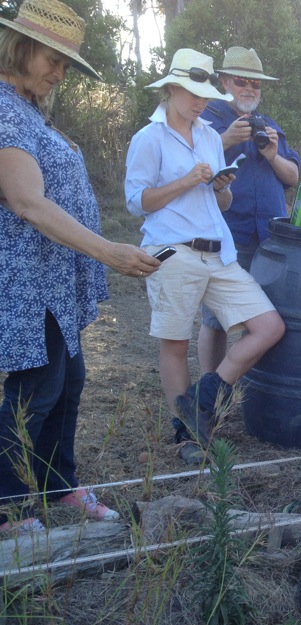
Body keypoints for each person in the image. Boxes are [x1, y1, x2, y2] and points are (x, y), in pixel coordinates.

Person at [0, 0, 161, 533]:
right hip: (27, 278)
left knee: (68, 380)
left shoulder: (25, 109)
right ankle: (8, 507)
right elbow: (26, 202)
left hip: (51, 275)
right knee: (37, 389)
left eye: (66, 64)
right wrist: (109, 252)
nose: (59, 72)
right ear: (20, 48)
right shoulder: (1, 107)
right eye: (54, 59)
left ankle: (57, 486)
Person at [125, 48, 285, 456]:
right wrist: (185, 181)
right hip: (172, 250)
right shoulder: (149, 138)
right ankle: (187, 437)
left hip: (218, 252)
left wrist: (220, 187)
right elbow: (136, 202)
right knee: (175, 343)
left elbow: (223, 203)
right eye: (192, 92)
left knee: (269, 326)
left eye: (205, 94)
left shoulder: (211, 137)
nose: (200, 101)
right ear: (172, 89)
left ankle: (202, 398)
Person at [195, 46, 300, 453]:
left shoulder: (269, 126)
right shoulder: (207, 118)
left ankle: (230, 387)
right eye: (241, 80)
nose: (249, 88)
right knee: (216, 319)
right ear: (224, 82)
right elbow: (191, 163)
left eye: (255, 82)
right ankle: (209, 396)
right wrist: (225, 139)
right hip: (226, 232)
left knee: (268, 317)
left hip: (272, 237)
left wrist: (273, 154)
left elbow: (292, 175)